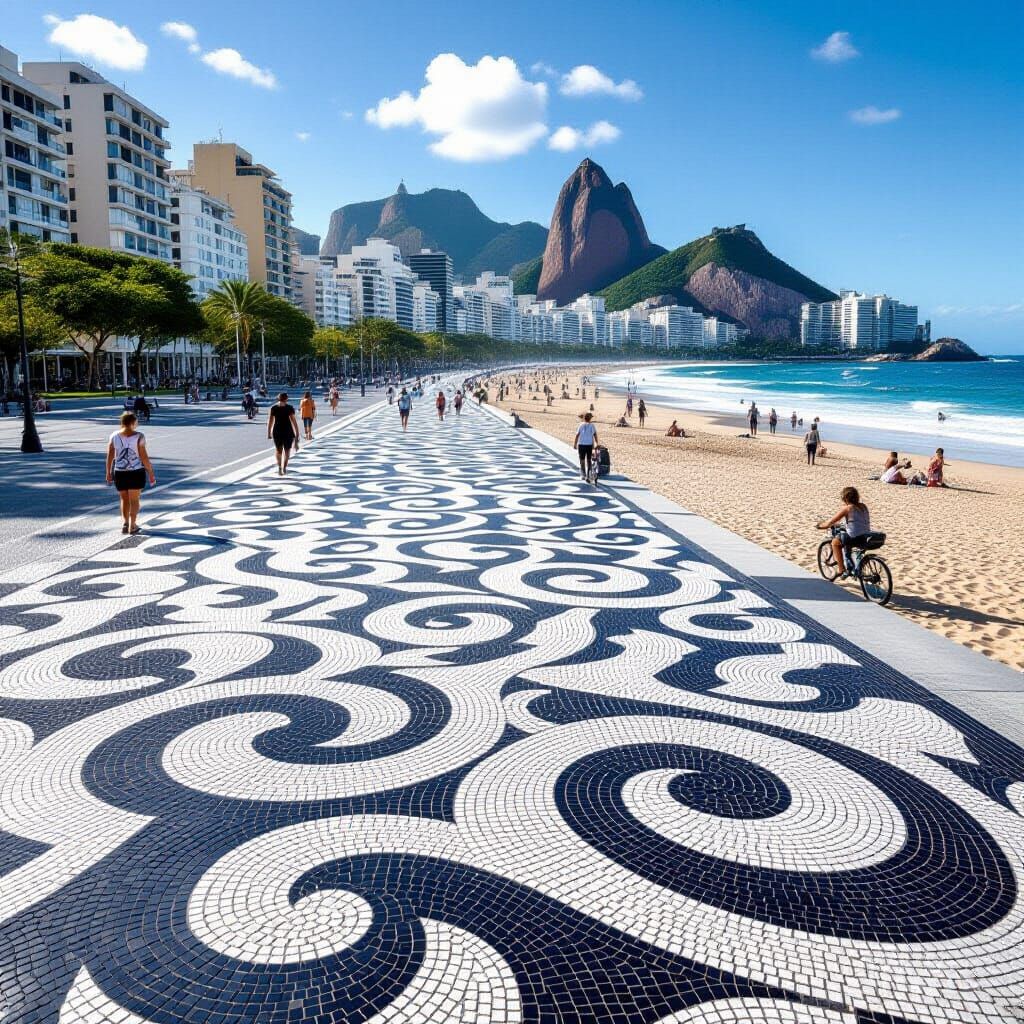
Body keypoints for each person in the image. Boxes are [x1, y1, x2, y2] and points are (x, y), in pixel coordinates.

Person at [106, 411, 156, 535]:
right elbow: (144, 457)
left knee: (124, 499)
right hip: (136, 472)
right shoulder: (139, 436)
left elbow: (110, 456)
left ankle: (125, 523)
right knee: (134, 499)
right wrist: (151, 473)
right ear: (133, 422)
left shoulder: (114, 436)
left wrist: (108, 472)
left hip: (119, 472)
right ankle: (133, 525)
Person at [817, 486, 872, 580]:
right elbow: (856, 521)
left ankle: (841, 569)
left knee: (835, 542)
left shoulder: (848, 508)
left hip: (854, 537)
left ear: (845, 498)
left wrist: (820, 526)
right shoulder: (863, 506)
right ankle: (852, 567)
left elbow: (830, 522)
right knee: (846, 539)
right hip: (865, 536)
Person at [267, 392, 299, 475]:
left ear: (278, 398)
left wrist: (269, 432)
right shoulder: (289, 408)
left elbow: (270, 421)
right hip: (288, 431)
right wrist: (297, 433)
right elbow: (294, 421)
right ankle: (284, 467)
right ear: (286, 399)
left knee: (278, 450)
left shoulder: (273, 408)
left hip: (277, 431)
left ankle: (280, 467)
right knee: (287, 451)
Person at [574, 412, 600, 481]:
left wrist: (575, 444)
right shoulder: (592, 425)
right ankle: (588, 475)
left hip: (581, 445)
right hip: (589, 445)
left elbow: (577, 435)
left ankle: (583, 474)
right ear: (590, 418)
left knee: (582, 460)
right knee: (589, 460)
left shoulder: (581, 425)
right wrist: (597, 443)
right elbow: (595, 435)